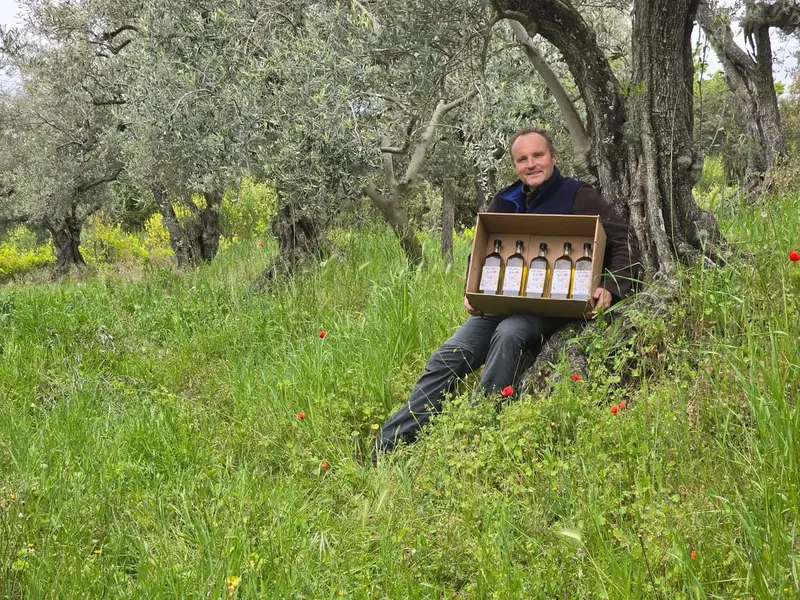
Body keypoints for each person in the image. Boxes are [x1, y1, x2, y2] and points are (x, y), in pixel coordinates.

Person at [375, 127, 640, 453]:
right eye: (522, 159)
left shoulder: (577, 195)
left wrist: (611, 287)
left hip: (550, 307)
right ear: (515, 165)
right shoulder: (505, 199)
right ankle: (388, 446)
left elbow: (623, 238)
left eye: (538, 155)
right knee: (447, 356)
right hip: (500, 304)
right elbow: (481, 250)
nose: (531, 164)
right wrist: (471, 290)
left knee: (509, 334)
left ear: (553, 157)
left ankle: (479, 431)